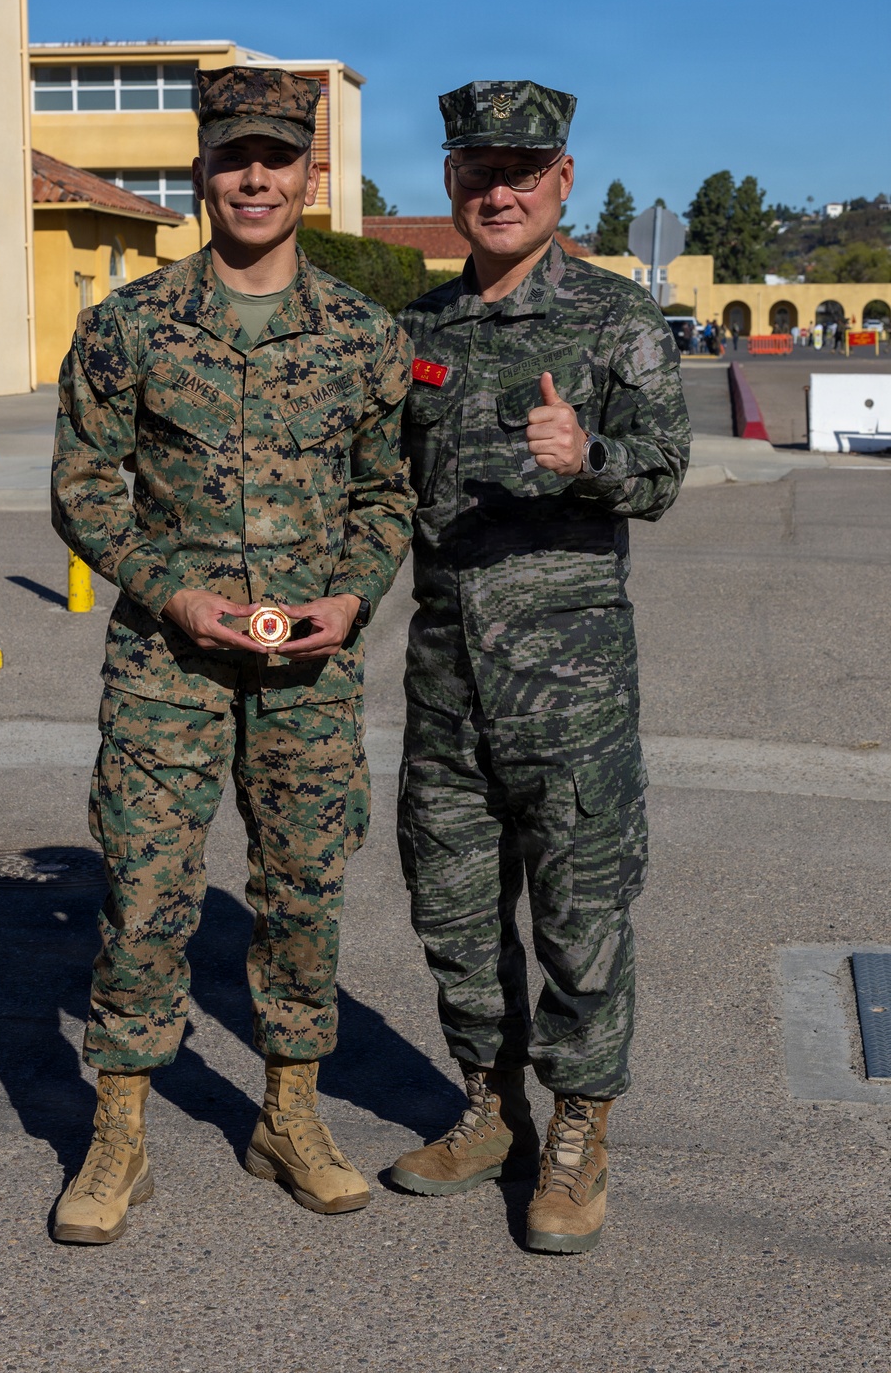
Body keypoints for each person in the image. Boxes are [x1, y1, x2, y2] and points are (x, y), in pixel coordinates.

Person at [50, 66, 415, 1243]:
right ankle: (118, 1133)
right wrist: (169, 589)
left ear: (312, 174)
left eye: (277, 157)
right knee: (147, 886)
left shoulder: (364, 336)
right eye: (231, 157)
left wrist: (355, 593)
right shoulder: (128, 327)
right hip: (170, 660)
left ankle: (288, 1114)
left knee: (302, 890)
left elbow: (385, 493)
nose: (254, 177)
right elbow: (83, 488)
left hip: (310, 666)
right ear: (204, 170)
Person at [389, 80, 690, 1254]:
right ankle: (487, 1107)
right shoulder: (418, 331)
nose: (497, 190)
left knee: (581, 919)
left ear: (563, 182)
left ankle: (577, 1130)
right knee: (454, 913)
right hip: (444, 684)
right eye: (475, 170)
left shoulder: (617, 324)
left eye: (521, 170)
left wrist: (586, 454)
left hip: (570, 694)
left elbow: (660, 475)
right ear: (453, 184)